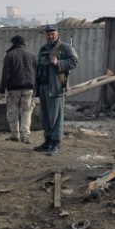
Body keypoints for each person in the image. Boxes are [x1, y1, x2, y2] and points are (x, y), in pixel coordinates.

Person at [34, 25, 79, 155]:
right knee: (46, 117)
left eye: (52, 34)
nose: (50, 36)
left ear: (57, 34)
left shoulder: (64, 47)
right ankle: (47, 142)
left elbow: (74, 62)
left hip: (56, 87)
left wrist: (58, 62)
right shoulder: (43, 49)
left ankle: (56, 143)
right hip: (43, 87)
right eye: (48, 34)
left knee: (56, 117)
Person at [0, 35, 37, 143]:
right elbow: (36, 73)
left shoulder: (9, 55)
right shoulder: (32, 55)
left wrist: (2, 89)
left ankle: (15, 135)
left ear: (13, 43)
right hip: (29, 88)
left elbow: (5, 75)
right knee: (26, 112)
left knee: (12, 111)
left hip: (13, 88)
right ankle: (25, 135)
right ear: (24, 43)